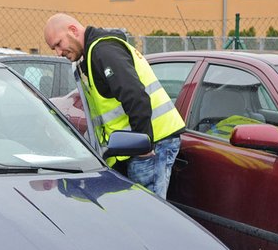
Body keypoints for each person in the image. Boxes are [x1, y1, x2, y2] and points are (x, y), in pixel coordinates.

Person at [44, 13, 185, 197]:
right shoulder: (94, 54)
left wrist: (143, 147)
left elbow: (135, 96)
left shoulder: (104, 51)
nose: (58, 52)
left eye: (58, 44)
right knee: (137, 211)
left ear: (73, 30)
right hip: (139, 145)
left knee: (147, 214)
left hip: (150, 144)